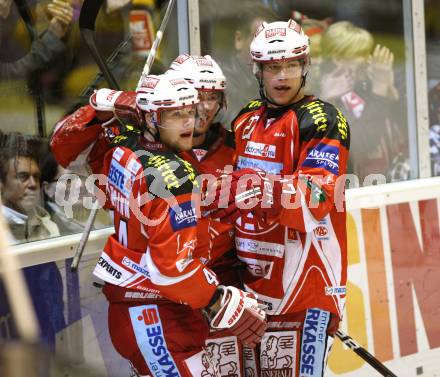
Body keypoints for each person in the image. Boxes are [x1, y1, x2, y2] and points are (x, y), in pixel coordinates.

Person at [50, 72, 267, 376]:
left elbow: (62, 143)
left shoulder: (123, 144)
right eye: (175, 115)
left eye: (190, 112)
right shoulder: (173, 176)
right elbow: (172, 270)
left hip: (140, 307)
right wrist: (218, 298)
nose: (189, 122)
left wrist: (101, 105)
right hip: (155, 312)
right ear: (151, 118)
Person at [205, 19, 350, 376]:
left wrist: (260, 187)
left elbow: (317, 197)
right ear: (259, 70)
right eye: (272, 67)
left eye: (290, 65)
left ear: (305, 67)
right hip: (252, 289)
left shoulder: (323, 120)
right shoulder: (246, 119)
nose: (282, 76)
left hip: (306, 290)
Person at [169, 54, 245, 375]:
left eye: (213, 97)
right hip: (175, 295)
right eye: (198, 97)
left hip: (228, 290)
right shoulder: (156, 150)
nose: (205, 107)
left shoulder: (236, 143)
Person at [319, 21, 407, 182]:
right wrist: (380, 89)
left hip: (386, 180)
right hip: (355, 190)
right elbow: (365, 144)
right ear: (338, 59)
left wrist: (387, 86)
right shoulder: (330, 96)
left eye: (369, 52)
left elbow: (403, 127)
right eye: (362, 53)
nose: (369, 59)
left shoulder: (362, 84)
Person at [0, 132, 65, 348]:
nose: (32, 184)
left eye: (36, 177)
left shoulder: (45, 226)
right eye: (22, 176)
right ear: (2, 184)